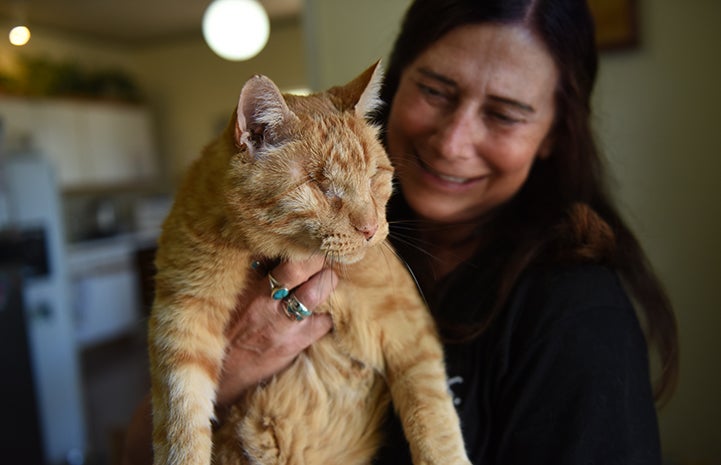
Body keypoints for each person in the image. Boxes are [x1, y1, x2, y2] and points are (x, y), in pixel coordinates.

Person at [123, 0, 679, 463]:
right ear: (398, 81)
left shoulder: (578, 314)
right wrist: (236, 363)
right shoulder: (360, 201)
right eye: (436, 91)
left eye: (505, 114)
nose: (452, 142)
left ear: (555, 135)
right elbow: (132, 448)